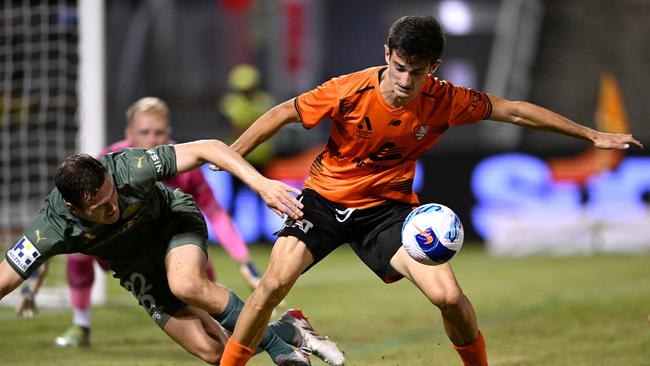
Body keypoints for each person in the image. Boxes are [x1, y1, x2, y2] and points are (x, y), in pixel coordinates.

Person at [218, 15, 643, 366]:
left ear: (433, 67)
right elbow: (279, 115)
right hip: (324, 201)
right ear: (387, 54)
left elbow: (513, 111)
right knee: (272, 285)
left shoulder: (446, 99)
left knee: (449, 296)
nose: (405, 80)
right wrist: (230, 157)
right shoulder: (348, 90)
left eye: (417, 72)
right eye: (400, 67)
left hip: (387, 211)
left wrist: (590, 135)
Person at [0, 139, 344, 365]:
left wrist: (261, 184)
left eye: (112, 197)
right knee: (215, 352)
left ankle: (281, 351)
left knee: (186, 284)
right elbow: (6, 276)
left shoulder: (129, 167)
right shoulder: (53, 225)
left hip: (173, 224)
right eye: (101, 209)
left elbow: (209, 147)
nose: (113, 208)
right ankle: (289, 330)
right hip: (136, 268)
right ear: (75, 210)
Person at [31, 97, 264, 348]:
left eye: (159, 132)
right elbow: (64, 221)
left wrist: (244, 261)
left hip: (166, 241)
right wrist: (37, 271)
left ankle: (227, 326)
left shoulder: (181, 162)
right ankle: (81, 323)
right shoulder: (106, 165)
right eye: (145, 132)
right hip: (117, 246)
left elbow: (215, 212)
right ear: (129, 133)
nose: (153, 139)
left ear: (169, 132)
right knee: (78, 253)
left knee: (198, 266)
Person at [220, 64, 276, 170]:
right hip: (237, 153)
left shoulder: (263, 100)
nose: (246, 92)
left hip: (261, 154)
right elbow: (235, 128)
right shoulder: (230, 102)